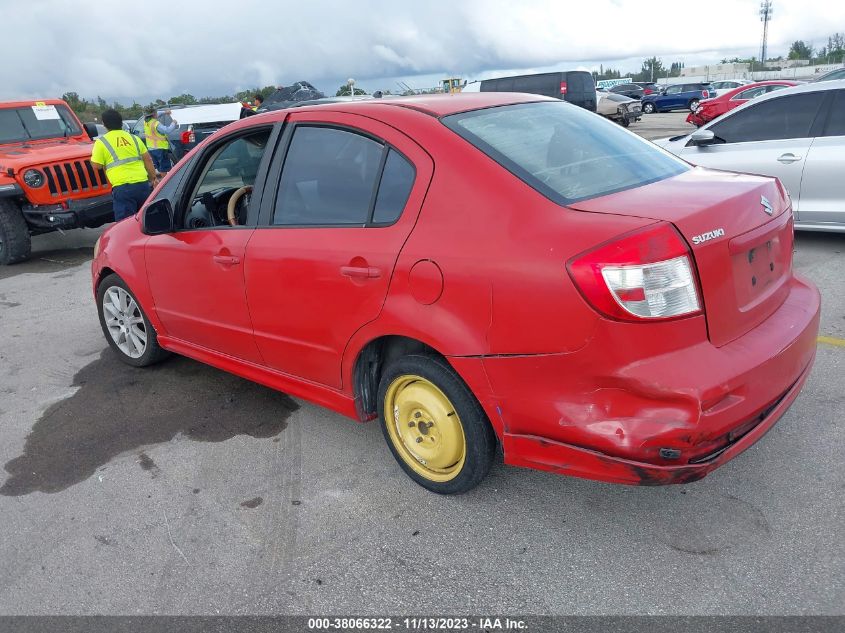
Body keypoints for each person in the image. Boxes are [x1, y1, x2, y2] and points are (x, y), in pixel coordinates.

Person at [90, 109, 158, 221]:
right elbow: (148, 160)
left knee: (126, 224)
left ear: (104, 124)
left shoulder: (101, 142)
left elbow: (96, 166)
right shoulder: (134, 138)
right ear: (121, 123)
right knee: (146, 220)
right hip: (142, 185)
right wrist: (153, 179)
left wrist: (92, 160)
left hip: (123, 188)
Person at [143, 108, 178, 175]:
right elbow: (167, 130)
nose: (157, 114)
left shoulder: (146, 121)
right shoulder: (156, 123)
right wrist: (174, 123)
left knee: (159, 168)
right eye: (156, 113)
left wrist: (165, 112)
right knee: (163, 169)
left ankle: (162, 183)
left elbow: (157, 114)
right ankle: (165, 183)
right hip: (160, 149)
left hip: (151, 148)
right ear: (154, 114)